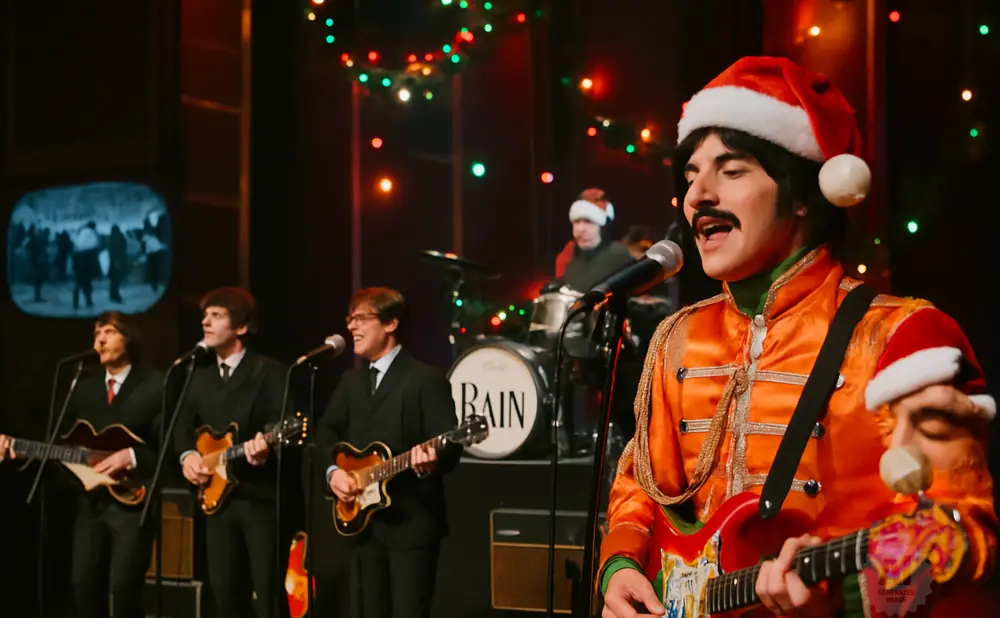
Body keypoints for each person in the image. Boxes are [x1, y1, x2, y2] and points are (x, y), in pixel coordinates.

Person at [599, 57, 997, 617]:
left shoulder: (901, 336)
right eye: (690, 175)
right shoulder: (678, 338)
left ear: (806, 194)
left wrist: (844, 599)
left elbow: (967, 537)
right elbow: (640, 487)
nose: (698, 196)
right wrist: (619, 565)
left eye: (731, 171)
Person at [1, 311, 164, 618]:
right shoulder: (83, 387)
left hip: (133, 502)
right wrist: (21, 450)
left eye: (108, 332)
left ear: (128, 339)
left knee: (123, 587)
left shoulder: (155, 384)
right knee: (83, 586)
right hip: (89, 505)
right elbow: (59, 443)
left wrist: (129, 457)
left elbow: (168, 446)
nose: (99, 339)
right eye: (96, 333)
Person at [317, 287, 460, 618]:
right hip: (364, 525)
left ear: (391, 323)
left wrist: (429, 463)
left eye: (360, 318)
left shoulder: (425, 379)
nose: (351, 327)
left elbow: (449, 445)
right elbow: (324, 434)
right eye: (349, 319)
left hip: (411, 525)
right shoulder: (351, 382)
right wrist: (333, 473)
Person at [173, 286, 289, 618]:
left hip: (259, 500)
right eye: (204, 316)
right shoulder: (197, 374)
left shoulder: (269, 371)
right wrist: (187, 457)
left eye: (217, 315)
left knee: (267, 595)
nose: (206, 323)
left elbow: (283, 422)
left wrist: (265, 448)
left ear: (241, 327)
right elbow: (179, 428)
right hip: (216, 503)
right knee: (224, 594)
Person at [553, 188, 635, 291]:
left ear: (603, 227)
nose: (580, 229)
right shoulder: (574, 258)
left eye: (589, 222)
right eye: (577, 222)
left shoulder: (617, 254)